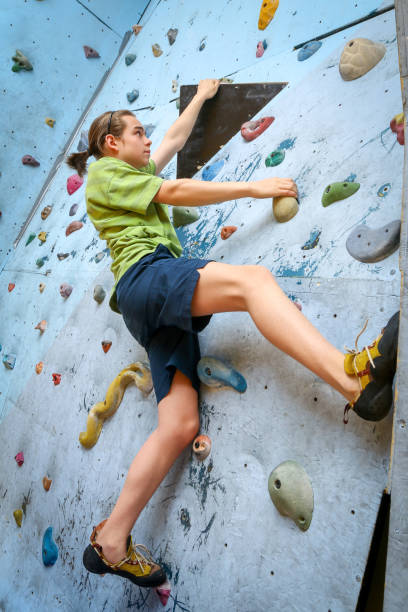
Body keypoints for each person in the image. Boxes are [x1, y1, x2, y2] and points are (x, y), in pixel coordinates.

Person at [66, 78, 399, 589]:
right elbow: (175, 189)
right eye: (137, 132)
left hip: (146, 307)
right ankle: (352, 379)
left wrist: (201, 97)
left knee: (178, 425)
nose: (147, 140)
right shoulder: (105, 174)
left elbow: (174, 142)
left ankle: (111, 539)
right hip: (147, 277)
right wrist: (254, 186)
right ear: (111, 142)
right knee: (253, 282)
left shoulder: (127, 178)